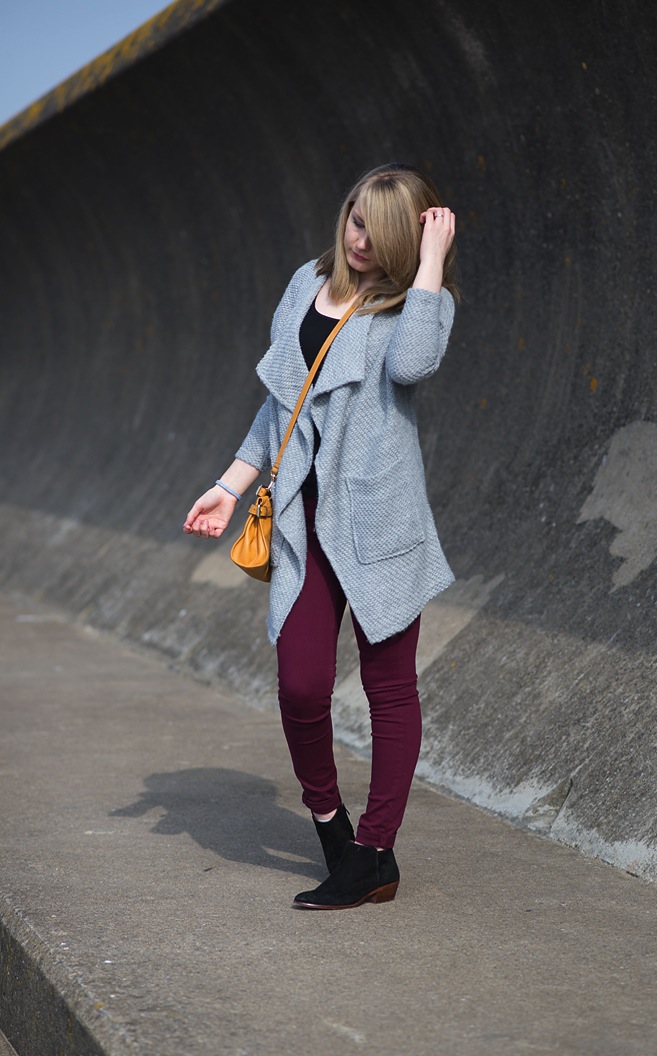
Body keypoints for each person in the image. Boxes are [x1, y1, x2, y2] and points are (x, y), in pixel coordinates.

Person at [183, 163, 458, 910]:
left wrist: (430, 266)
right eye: (354, 219)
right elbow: (278, 406)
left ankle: (375, 852)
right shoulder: (304, 282)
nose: (360, 239)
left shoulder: (416, 307)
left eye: (381, 230)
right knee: (301, 684)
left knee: (388, 687)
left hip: (377, 521)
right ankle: (334, 829)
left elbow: (411, 365)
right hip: (302, 522)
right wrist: (230, 484)